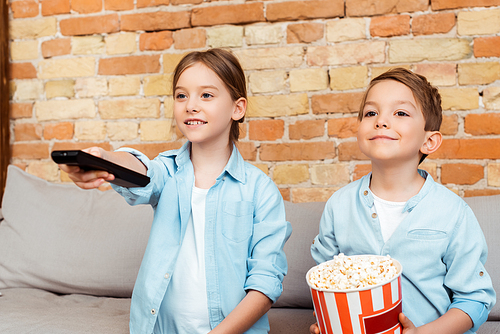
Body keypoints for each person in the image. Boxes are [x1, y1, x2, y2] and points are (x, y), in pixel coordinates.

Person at [59, 48, 292, 334]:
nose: (191, 105)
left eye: (206, 95)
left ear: (237, 108)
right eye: (182, 95)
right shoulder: (167, 171)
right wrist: (104, 159)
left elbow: (265, 283)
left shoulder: (261, 191)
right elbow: (141, 172)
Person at [309, 68, 496, 334]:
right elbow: (324, 284)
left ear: (429, 141)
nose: (381, 121)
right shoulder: (338, 207)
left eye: (400, 113)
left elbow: (475, 300)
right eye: (371, 113)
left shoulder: (453, 213)